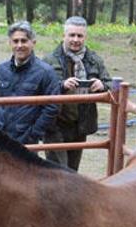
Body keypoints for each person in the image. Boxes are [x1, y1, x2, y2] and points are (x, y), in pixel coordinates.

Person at [42, 16, 111, 171]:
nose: (75, 39)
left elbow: (111, 84)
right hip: (55, 124)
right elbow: (38, 88)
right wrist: (61, 85)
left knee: (73, 171)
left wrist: (102, 86)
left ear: (85, 37)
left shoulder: (94, 60)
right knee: (58, 171)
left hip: (81, 124)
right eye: (71, 35)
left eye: (79, 36)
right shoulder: (49, 60)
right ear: (63, 36)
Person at [0, 21, 62, 157]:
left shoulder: (45, 72)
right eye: (15, 41)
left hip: (26, 142)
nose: (19, 45)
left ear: (33, 42)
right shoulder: (1, 70)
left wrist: (34, 134)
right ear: (10, 43)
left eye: (24, 41)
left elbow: (52, 107)